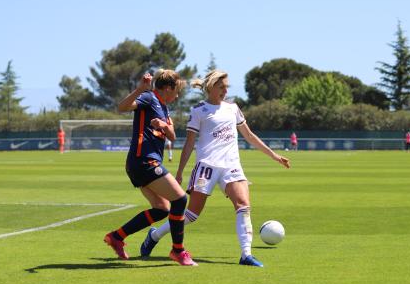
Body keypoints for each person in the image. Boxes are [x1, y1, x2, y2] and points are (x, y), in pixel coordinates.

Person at [140, 70, 290, 267]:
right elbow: (189, 144)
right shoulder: (199, 111)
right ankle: (156, 234)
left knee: (243, 205)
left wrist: (275, 156)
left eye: (226, 87)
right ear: (210, 87)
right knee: (192, 215)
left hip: (231, 166)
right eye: (221, 87)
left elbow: (250, 136)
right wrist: (179, 172)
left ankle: (246, 255)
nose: (225, 90)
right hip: (206, 167)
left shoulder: (233, 109)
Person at [103, 70, 197, 266]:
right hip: (143, 161)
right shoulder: (147, 97)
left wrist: (164, 124)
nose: (177, 95)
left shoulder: (164, 107)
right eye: (176, 91)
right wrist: (139, 88)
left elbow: (172, 136)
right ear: (168, 88)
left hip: (145, 162)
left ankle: (116, 237)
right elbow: (122, 107)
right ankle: (178, 251)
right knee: (180, 199)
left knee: (162, 209)